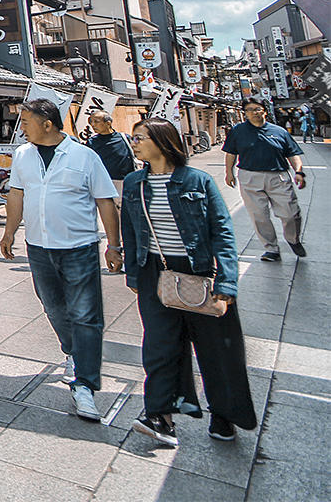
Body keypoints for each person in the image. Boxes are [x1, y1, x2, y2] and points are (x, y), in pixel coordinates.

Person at [122, 118, 255, 447]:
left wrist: (226, 285)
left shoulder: (198, 180)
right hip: (155, 271)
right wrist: (134, 275)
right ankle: (160, 415)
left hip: (198, 271)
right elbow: (130, 231)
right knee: (159, 346)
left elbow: (222, 234)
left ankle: (224, 415)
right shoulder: (134, 183)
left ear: (163, 141)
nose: (134, 143)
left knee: (217, 349)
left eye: (140, 138)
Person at [1, 98, 123, 422]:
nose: (21, 126)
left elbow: (106, 202)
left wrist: (114, 245)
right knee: (53, 306)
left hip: (79, 247)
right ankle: (72, 351)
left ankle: (83, 385)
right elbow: (17, 194)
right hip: (38, 247)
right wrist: (9, 232)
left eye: (26, 121)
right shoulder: (23, 156)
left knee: (85, 314)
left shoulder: (85, 157)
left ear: (47, 124)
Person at [223, 98, 306, 262]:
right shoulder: (237, 131)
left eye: (257, 109)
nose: (254, 112)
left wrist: (299, 171)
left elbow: (292, 153)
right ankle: (271, 249)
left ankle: (293, 239)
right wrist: (229, 173)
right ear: (245, 113)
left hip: (278, 177)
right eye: (249, 109)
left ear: (264, 111)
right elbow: (231, 153)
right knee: (259, 215)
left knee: (291, 213)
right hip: (250, 176)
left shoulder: (279, 131)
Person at [86, 111, 136, 210]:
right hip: (103, 184)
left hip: (124, 183)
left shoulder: (124, 138)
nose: (93, 125)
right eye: (91, 122)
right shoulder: (91, 142)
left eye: (96, 121)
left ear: (108, 123)